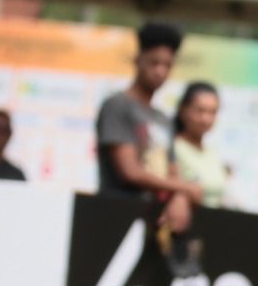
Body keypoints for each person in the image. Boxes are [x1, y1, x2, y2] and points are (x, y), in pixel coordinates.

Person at [95, 22, 197, 232]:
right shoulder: (117, 105)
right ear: (137, 60)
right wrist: (186, 188)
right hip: (117, 216)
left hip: (156, 220)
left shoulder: (163, 119)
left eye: (167, 65)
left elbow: (172, 171)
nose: (160, 71)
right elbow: (130, 171)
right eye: (154, 62)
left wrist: (179, 197)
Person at [171, 82, 227, 209]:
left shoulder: (211, 153)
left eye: (212, 112)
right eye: (200, 110)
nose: (206, 119)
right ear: (183, 109)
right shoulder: (171, 149)